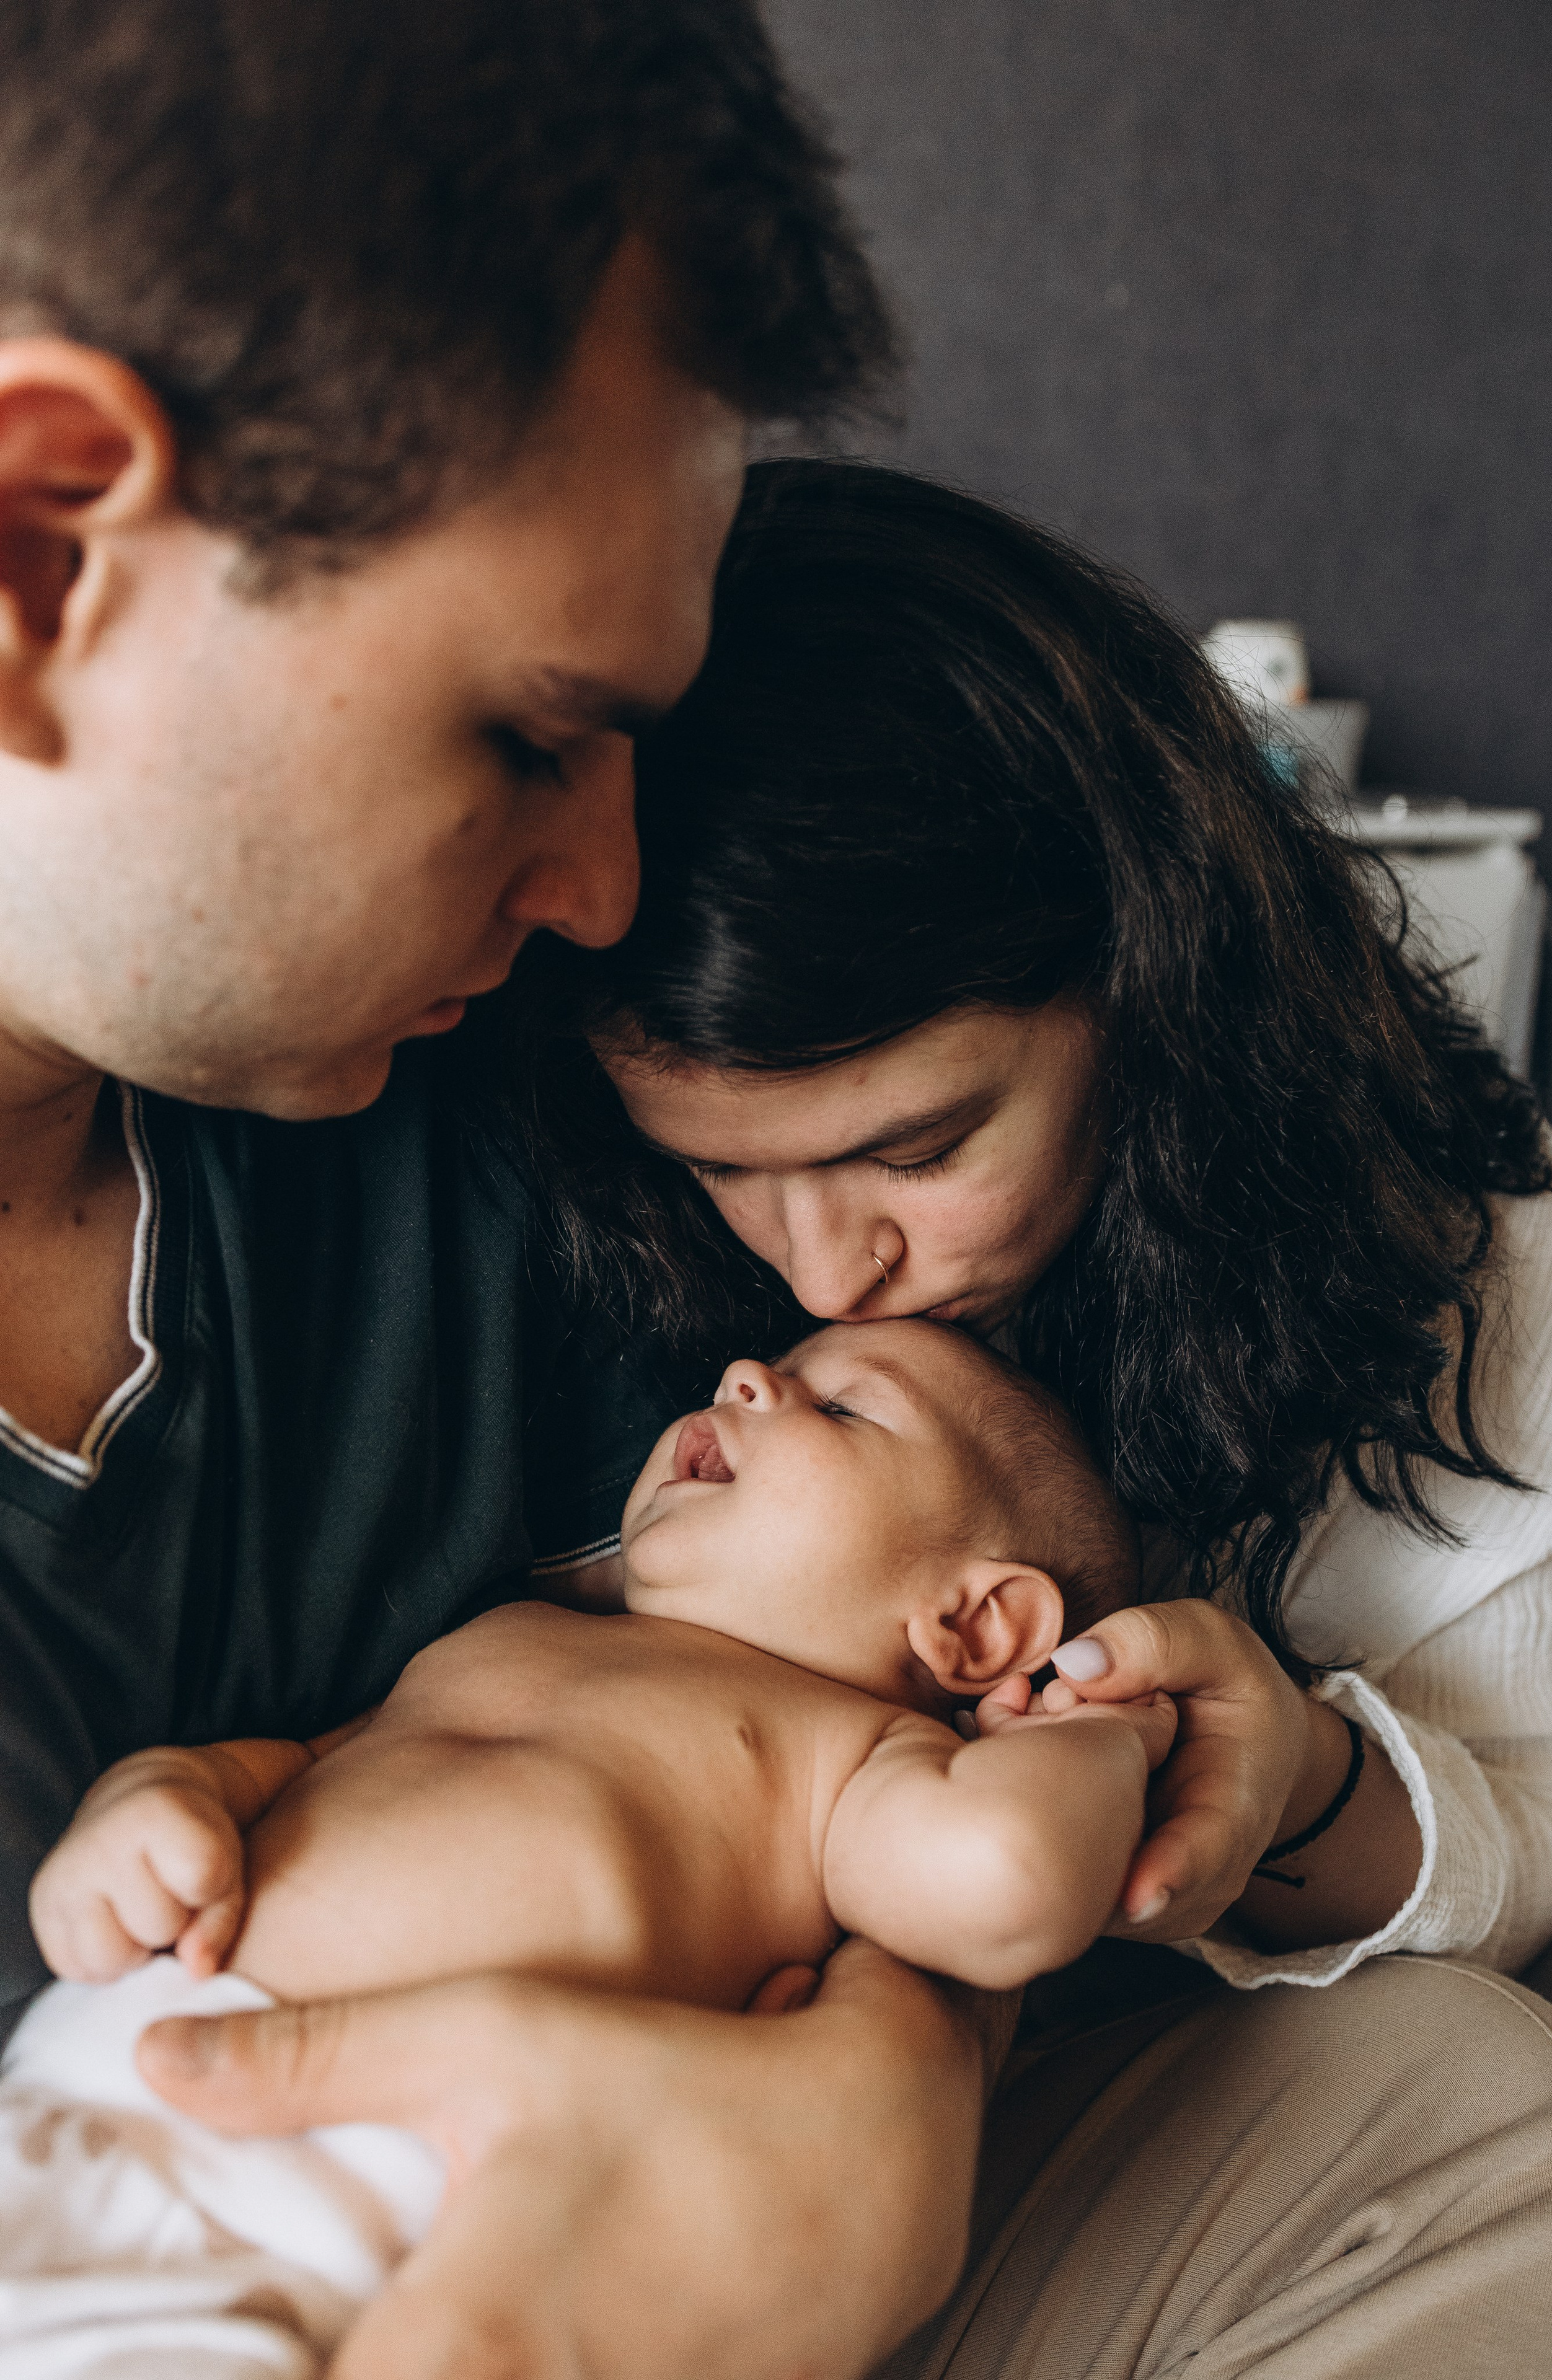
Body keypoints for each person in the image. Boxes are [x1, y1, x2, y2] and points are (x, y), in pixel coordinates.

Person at [0, 11, 1015, 2379]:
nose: (605, 892)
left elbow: (878, 1665)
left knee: (1446, 2100)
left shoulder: (476, 1108)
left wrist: (902, 2092)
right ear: (40, 556)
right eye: (535, 735)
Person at [506, 456, 1552, 2374]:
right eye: (722, 1168)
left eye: (920, 1146)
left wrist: (1308, 1794)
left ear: (1154, 989)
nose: (823, 1274)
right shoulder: (552, 1228)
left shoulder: (1501, 1304)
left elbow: (1551, 1885)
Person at [6, 1321, 1159, 2373]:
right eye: (772, 1369)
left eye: (844, 1408)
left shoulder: (852, 1762)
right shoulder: (518, 1625)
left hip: (307, 2227)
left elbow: (1008, 1876)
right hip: (68, 2098)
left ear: (974, 1625)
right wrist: (167, 1793)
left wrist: (1099, 1732)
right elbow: (310, 1762)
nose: (745, 1378)